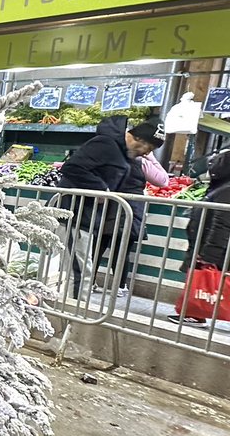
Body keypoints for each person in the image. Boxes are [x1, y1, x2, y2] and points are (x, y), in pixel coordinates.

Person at [57, 117, 165, 297]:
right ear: (140, 139)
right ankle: (73, 318)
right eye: (149, 148)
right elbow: (72, 167)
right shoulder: (106, 144)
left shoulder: (122, 153)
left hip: (88, 217)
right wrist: (101, 190)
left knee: (81, 269)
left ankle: (73, 313)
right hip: (74, 214)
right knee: (80, 272)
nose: (147, 153)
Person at [92, 151, 169, 298]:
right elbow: (163, 180)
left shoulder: (107, 157)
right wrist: (151, 157)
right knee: (122, 250)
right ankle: (119, 286)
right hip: (130, 208)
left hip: (106, 205)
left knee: (97, 247)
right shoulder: (142, 162)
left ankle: (88, 282)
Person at [170, 147, 230, 326]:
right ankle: (193, 313)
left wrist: (208, 255)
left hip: (212, 248)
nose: (211, 166)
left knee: (205, 282)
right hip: (208, 245)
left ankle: (195, 313)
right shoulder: (222, 187)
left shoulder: (226, 190)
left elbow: (222, 225)